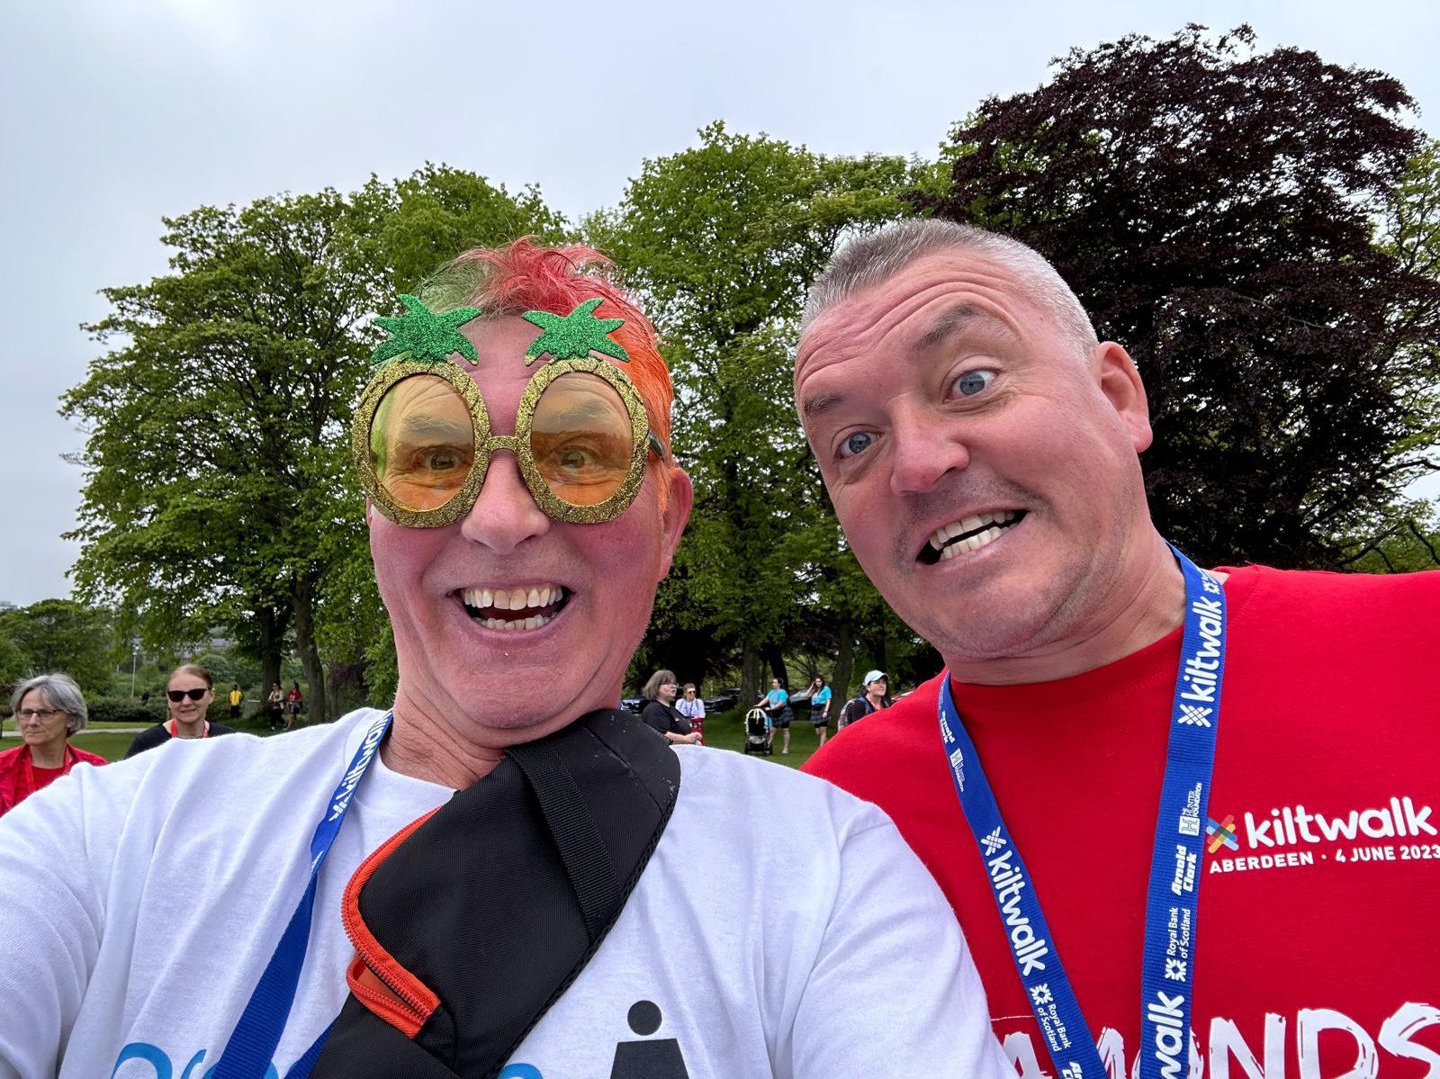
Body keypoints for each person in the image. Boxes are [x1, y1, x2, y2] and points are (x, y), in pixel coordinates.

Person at [0, 240, 1007, 1078]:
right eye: (433, 457)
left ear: (667, 520)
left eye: (580, 451)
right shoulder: (124, 835)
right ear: (375, 508)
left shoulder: (823, 874)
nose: (500, 519)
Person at [795, 218, 1440, 1077]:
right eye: (854, 443)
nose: (918, 463)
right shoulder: (826, 829)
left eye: (972, 381)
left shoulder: (1418, 652)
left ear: (1118, 395)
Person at [0, 674, 105, 817]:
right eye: (26, 712)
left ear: (71, 719)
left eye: (45, 713)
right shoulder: (3, 768)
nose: (32, 721)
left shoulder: (95, 770)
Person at [124, 663, 239, 758]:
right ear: (169, 699)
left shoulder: (228, 739)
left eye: (196, 694)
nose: (186, 702)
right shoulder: (147, 743)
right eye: (177, 695)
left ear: (211, 695)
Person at [638, 669, 702, 745]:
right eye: (667, 683)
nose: (673, 686)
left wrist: (694, 735)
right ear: (656, 686)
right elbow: (660, 736)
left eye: (674, 683)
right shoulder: (654, 710)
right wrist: (685, 739)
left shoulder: (672, 709)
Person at [754, 676, 793, 754]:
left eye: (775, 682)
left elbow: (781, 703)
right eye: (773, 682)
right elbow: (766, 699)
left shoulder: (782, 692)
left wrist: (772, 708)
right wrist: (758, 705)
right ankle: (768, 746)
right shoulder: (771, 692)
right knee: (772, 730)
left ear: (779, 684)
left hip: (783, 712)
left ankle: (785, 748)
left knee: (785, 730)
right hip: (775, 713)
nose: (773, 684)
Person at [805, 676, 832, 745]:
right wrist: (811, 686)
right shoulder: (814, 690)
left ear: (822, 682)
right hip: (815, 709)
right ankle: (829, 744)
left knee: (823, 730)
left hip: (822, 708)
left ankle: (821, 748)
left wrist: (826, 711)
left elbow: (828, 700)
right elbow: (806, 695)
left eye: (819, 681)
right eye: (816, 682)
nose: (818, 683)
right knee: (818, 732)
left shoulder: (826, 689)